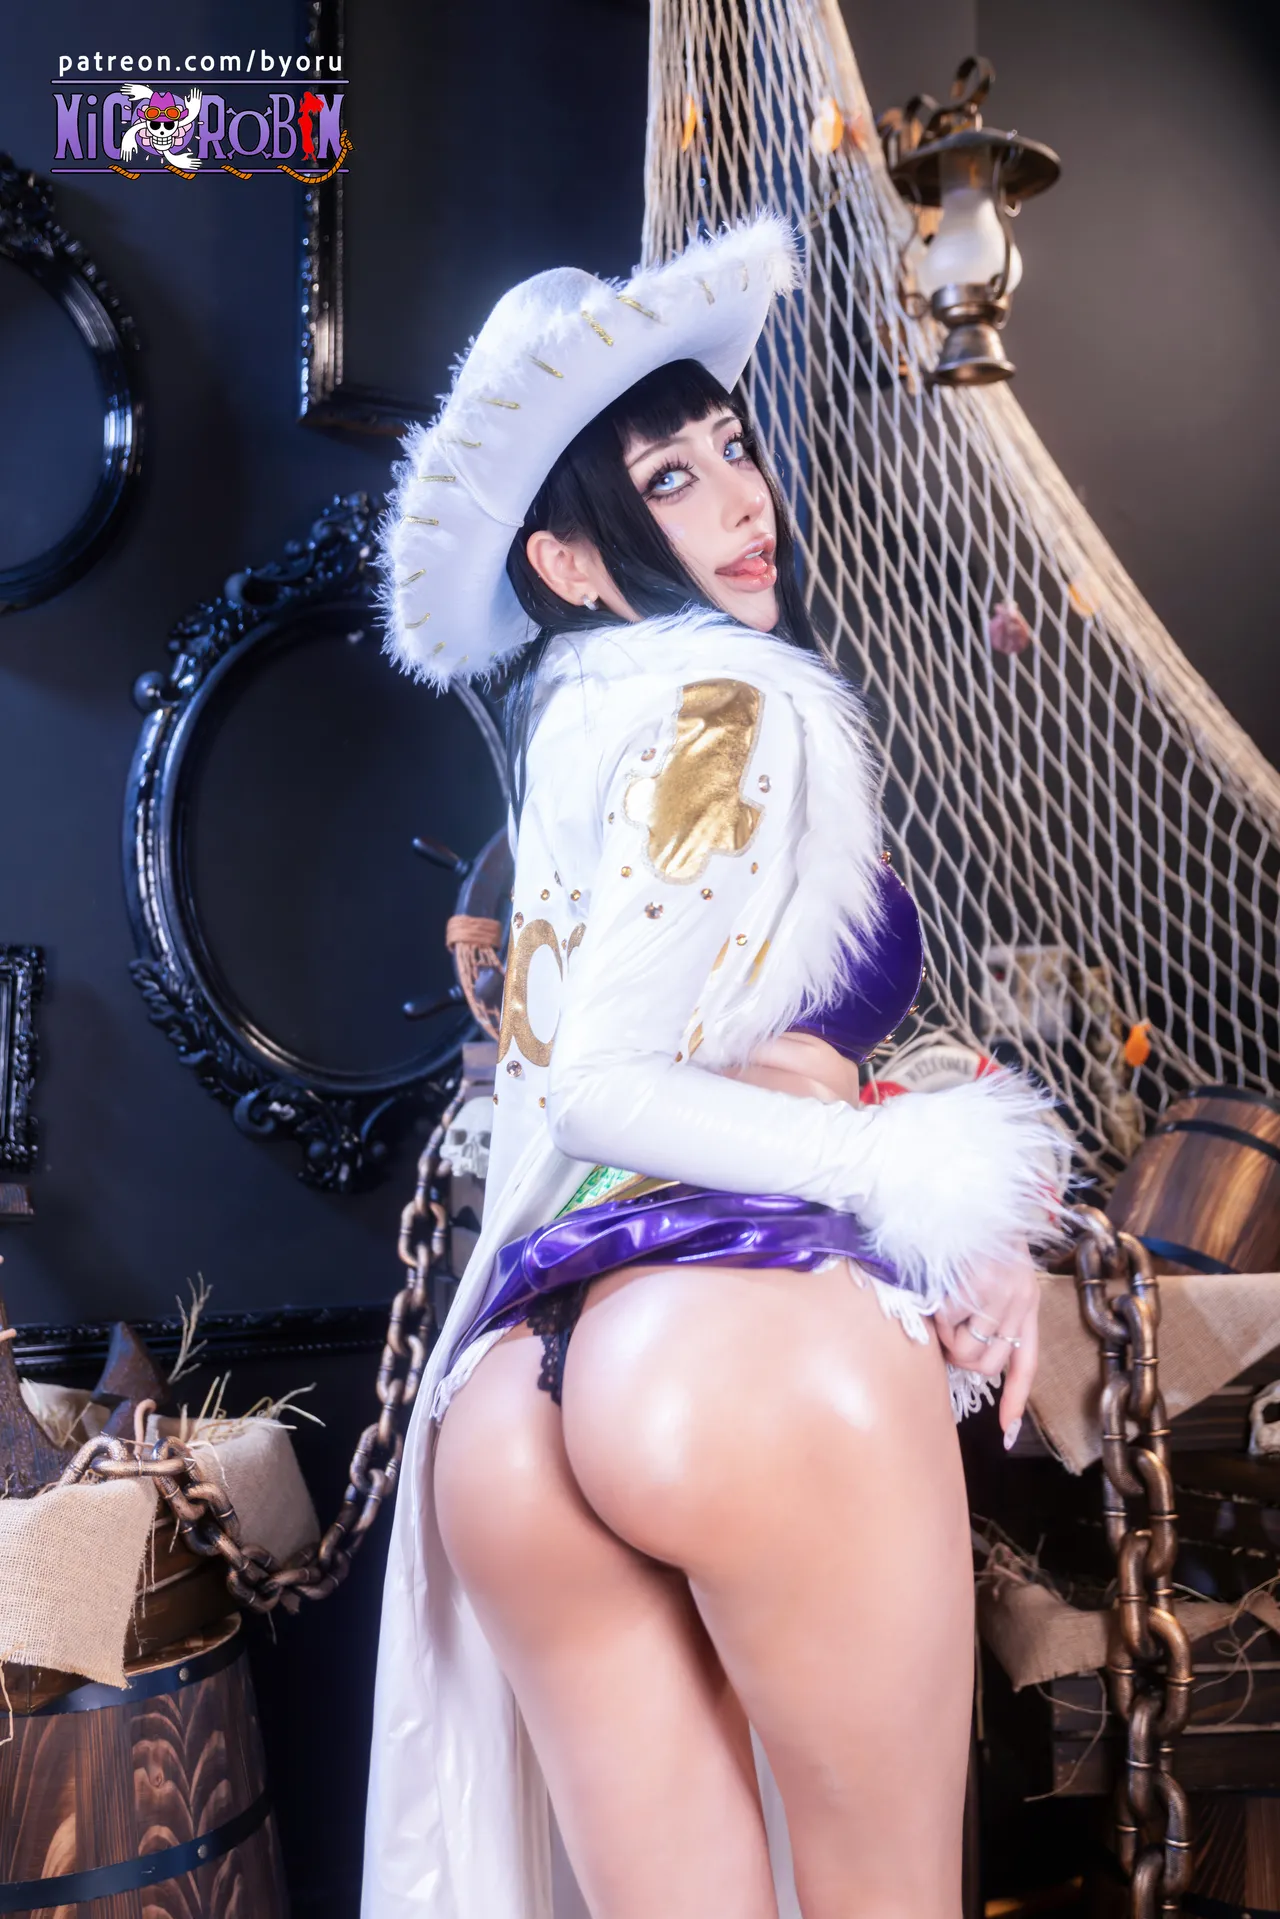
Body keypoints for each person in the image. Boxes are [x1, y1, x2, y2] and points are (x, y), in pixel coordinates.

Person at [362, 213, 1065, 1919]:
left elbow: (635, 1068)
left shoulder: (575, 724)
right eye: (669, 481)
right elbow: (612, 1084)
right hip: (733, 1335)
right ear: (568, 562)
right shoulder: (736, 708)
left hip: (516, 1392)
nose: (745, 502)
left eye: (732, 447)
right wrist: (914, 1180)